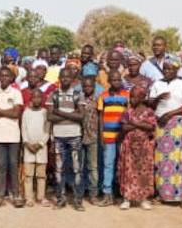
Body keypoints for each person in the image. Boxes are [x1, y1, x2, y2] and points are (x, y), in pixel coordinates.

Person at [148, 56, 182, 208]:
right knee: (162, 159)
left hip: (177, 124)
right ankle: (164, 193)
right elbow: (150, 104)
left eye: (170, 68)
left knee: (180, 159)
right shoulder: (157, 83)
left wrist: (169, 114)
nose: (167, 71)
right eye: (165, 68)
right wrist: (158, 98)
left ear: (177, 69)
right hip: (160, 125)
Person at [0, 65, 24, 208]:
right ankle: (0, 196)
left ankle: (16, 194)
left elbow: (16, 113)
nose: (4, 78)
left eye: (7, 76)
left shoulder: (16, 92)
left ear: (12, 78)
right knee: (1, 166)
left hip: (13, 135)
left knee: (13, 165)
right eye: (2, 75)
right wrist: (6, 111)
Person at [49, 66, 86, 211]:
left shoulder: (78, 94)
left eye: (68, 77)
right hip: (58, 136)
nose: (65, 79)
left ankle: (78, 200)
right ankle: (60, 199)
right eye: (62, 76)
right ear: (59, 78)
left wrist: (59, 112)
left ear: (72, 79)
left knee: (77, 169)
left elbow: (81, 116)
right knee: (59, 169)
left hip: (75, 136)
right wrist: (72, 114)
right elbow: (50, 117)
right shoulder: (53, 95)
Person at [119, 86, 156, 210]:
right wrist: (141, 125)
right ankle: (127, 198)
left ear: (141, 98)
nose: (131, 100)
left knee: (144, 172)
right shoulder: (127, 111)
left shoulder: (149, 111)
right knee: (128, 172)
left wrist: (133, 123)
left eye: (134, 97)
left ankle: (143, 199)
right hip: (129, 145)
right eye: (131, 97)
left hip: (144, 147)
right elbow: (124, 128)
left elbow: (151, 127)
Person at [96, 67, 129, 205]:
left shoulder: (126, 95)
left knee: (122, 164)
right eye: (113, 80)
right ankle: (107, 193)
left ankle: (121, 193)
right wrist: (101, 135)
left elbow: (129, 115)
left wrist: (125, 133)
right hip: (108, 135)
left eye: (118, 79)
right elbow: (100, 117)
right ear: (109, 81)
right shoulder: (103, 96)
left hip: (122, 136)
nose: (116, 82)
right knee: (108, 164)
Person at [20, 89, 50, 207]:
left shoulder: (45, 112)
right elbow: (24, 129)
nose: (36, 99)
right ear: (31, 99)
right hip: (29, 147)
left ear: (42, 99)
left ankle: (41, 197)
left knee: (41, 174)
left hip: (41, 148)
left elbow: (48, 130)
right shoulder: (26, 112)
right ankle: (29, 198)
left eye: (39, 97)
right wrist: (27, 143)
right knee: (28, 175)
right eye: (34, 97)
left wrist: (40, 144)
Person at [79, 66, 101, 203]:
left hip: (93, 137)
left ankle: (93, 194)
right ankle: (80, 193)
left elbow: (100, 119)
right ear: (82, 86)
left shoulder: (98, 100)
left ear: (94, 86)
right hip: (79, 137)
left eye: (90, 86)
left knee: (93, 167)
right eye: (85, 86)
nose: (88, 88)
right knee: (79, 167)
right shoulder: (78, 100)